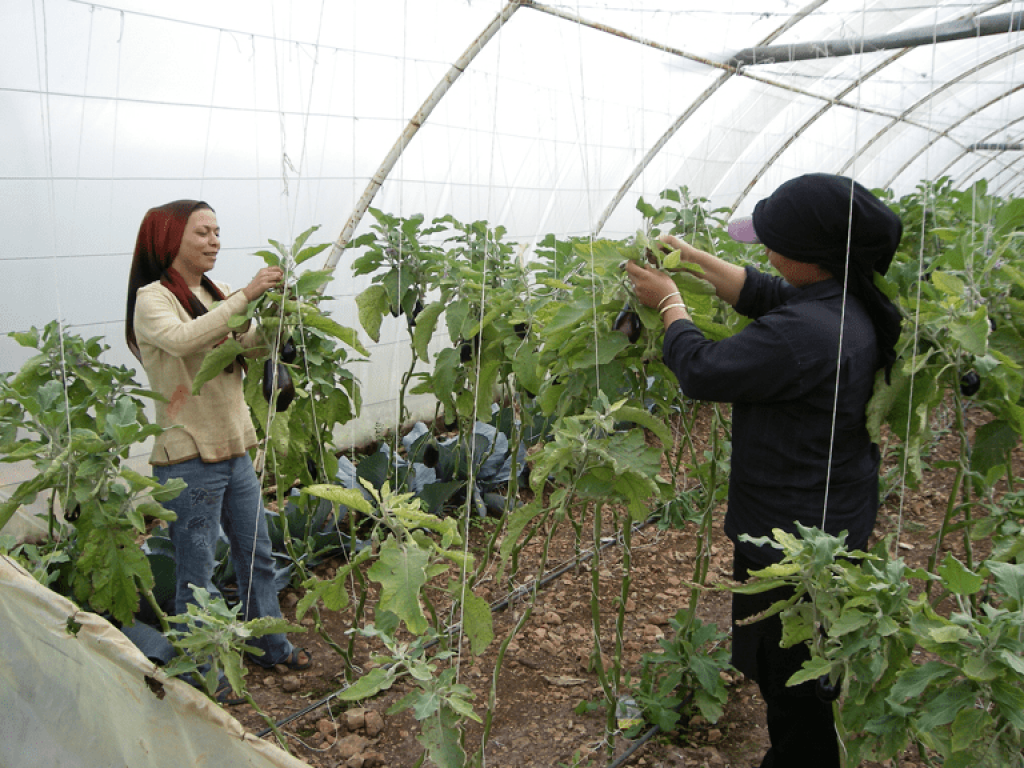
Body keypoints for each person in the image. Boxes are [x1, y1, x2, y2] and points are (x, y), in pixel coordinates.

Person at [625, 173, 902, 767]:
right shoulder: (844, 302)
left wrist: (670, 303)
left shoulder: (807, 335)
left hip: (791, 535)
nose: (765, 252)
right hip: (831, 511)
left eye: (773, 243)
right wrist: (695, 261)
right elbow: (767, 292)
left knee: (791, 674)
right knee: (798, 658)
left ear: (814, 258)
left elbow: (702, 369)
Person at [125, 199, 311, 678]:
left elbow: (247, 342)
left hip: (233, 447)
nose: (215, 242)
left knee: (257, 555)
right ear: (170, 240)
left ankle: (270, 644)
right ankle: (201, 669)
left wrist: (277, 317)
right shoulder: (153, 299)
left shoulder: (220, 292)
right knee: (197, 572)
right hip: (187, 454)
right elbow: (188, 339)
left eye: (217, 232)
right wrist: (247, 296)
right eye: (202, 233)